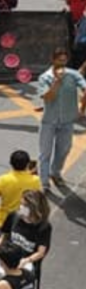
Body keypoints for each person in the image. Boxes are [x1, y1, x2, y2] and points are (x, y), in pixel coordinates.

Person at [36, 47, 86, 190]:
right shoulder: (44, 78)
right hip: (49, 121)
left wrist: (82, 107)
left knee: (64, 149)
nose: (62, 64)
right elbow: (48, 97)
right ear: (53, 60)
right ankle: (44, 182)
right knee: (45, 152)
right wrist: (57, 82)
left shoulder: (73, 75)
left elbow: (83, 85)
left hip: (67, 120)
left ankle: (55, 172)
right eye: (59, 61)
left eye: (64, 61)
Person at [0, 190, 50, 289]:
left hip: (27, 267)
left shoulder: (44, 227)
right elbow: (5, 234)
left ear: (34, 208)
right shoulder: (14, 216)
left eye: (25, 206)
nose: (21, 208)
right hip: (9, 262)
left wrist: (26, 260)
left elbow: (41, 252)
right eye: (21, 204)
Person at [0, 151, 41, 243]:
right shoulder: (35, 181)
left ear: (11, 163)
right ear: (28, 164)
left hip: (2, 222)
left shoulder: (3, 179)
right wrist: (34, 173)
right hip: (22, 225)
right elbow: (38, 200)